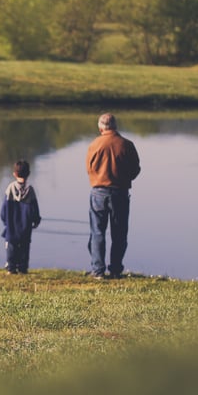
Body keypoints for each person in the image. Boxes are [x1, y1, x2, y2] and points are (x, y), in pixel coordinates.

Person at [85, 113, 141, 279]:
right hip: (120, 193)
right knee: (119, 233)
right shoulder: (127, 145)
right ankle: (116, 269)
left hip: (98, 192)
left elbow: (89, 169)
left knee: (97, 232)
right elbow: (135, 170)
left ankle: (98, 270)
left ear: (101, 127)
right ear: (115, 126)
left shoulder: (94, 145)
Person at [0, 159, 41, 274]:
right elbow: (35, 208)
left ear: (15, 174)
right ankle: (23, 268)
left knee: (11, 245)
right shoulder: (30, 190)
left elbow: (3, 210)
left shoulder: (10, 188)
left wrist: (5, 220)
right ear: (28, 174)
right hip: (25, 225)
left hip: (11, 225)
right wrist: (36, 221)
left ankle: (11, 267)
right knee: (24, 247)